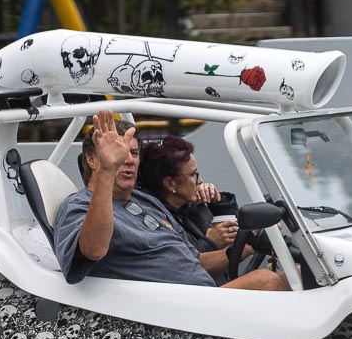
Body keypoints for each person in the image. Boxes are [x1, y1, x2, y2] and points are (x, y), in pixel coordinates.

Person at [53, 108, 287, 291]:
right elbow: (92, 250)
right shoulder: (78, 205)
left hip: (203, 298)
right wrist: (107, 171)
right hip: (167, 318)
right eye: (118, 153)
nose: (128, 160)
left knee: (295, 274)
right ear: (93, 160)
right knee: (266, 281)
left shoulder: (145, 201)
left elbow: (195, 261)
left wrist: (247, 245)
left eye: (133, 153)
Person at [137, 134, 239, 282]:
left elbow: (235, 234)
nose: (200, 181)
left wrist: (218, 203)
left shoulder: (192, 207)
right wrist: (210, 242)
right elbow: (179, 266)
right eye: (193, 175)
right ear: (170, 183)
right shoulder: (153, 220)